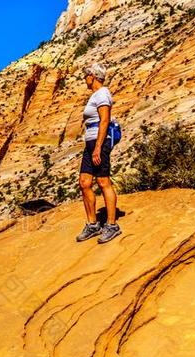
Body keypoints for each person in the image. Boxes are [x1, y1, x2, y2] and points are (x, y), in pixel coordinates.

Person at [76, 63, 122, 244]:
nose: (84, 79)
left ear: (93, 76)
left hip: (99, 143)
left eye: (86, 75)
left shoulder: (103, 93)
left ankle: (112, 225)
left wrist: (98, 147)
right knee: (84, 182)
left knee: (103, 181)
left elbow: (105, 121)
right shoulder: (95, 96)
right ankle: (92, 224)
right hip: (90, 142)